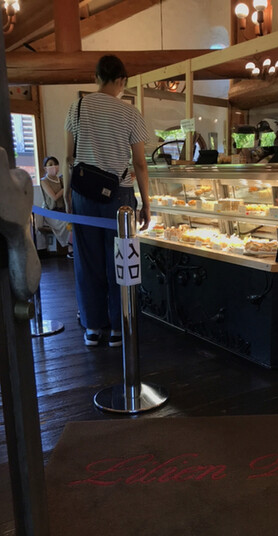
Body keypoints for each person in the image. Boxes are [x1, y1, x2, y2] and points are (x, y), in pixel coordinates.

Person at [63, 54, 150, 347]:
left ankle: (92, 327)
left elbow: (68, 156)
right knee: (121, 261)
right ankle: (119, 328)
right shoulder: (130, 112)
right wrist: (146, 202)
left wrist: (68, 193)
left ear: (96, 77)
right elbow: (140, 163)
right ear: (122, 80)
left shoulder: (76, 107)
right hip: (120, 197)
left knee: (87, 261)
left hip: (83, 195)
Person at [38, 156, 73, 258]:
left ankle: (73, 246)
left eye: (55, 164)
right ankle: (70, 248)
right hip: (50, 212)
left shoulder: (61, 179)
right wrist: (65, 188)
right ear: (45, 168)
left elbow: (68, 195)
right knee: (66, 223)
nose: (54, 167)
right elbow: (54, 197)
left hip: (62, 210)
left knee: (74, 221)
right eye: (50, 165)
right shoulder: (44, 181)